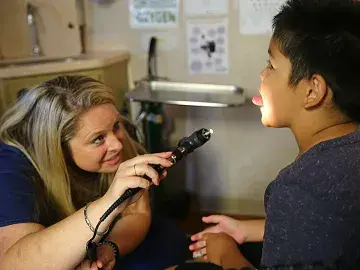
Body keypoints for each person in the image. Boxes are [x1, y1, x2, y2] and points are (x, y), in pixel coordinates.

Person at [190, 0, 360, 269]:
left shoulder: (300, 187)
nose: (262, 74)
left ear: (312, 90)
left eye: (271, 65)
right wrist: (248, 230)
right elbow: (330, 223)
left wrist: (224, 253)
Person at [0, 75, 189, 270]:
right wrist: (110, 202)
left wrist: (109, 248)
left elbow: (137, 213)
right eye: (98, 139)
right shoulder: (9, 170)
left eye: (116, 126)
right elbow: (17, 265)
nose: (117, 144)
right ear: (58, 148)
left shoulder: (112, 135)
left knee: (171, 240)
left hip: (101, 246)